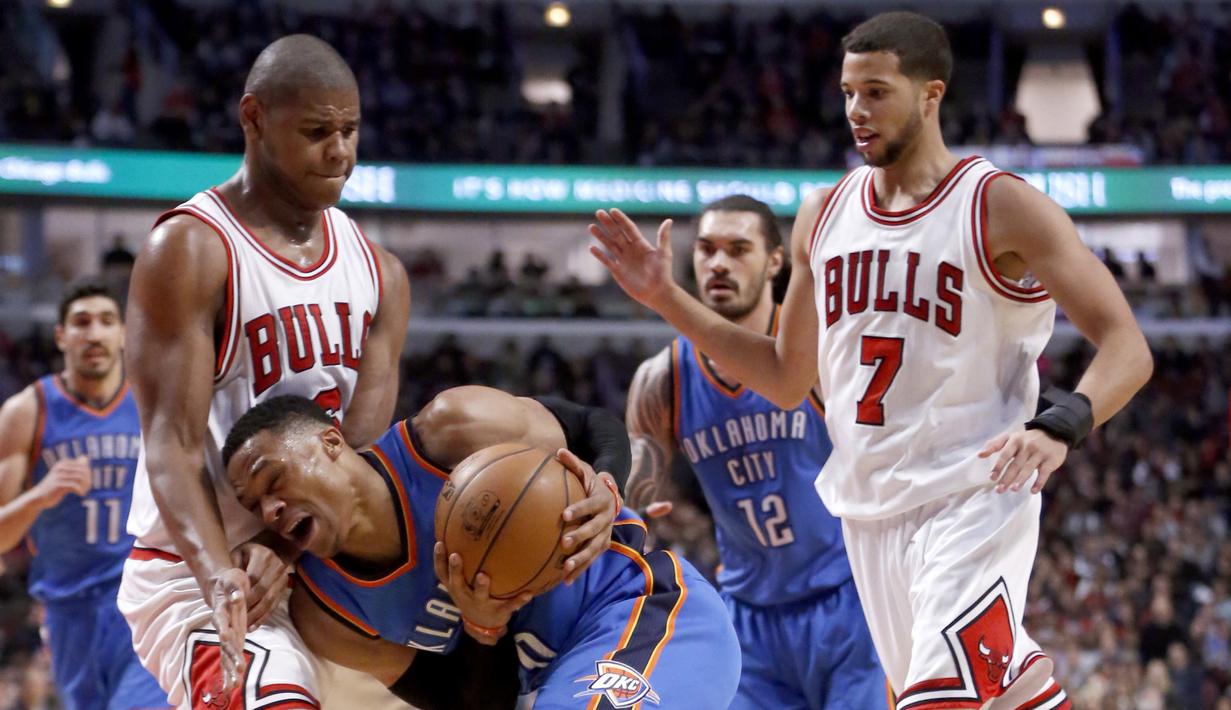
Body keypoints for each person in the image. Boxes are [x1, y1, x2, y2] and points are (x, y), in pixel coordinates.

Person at [590, 11, 1152, 710]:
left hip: (972, 496)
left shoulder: (998, 206)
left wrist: (1059, 425)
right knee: (1005, 694)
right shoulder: (823, 213)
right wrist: (664, 297)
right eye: (848, 92)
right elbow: (783, 377)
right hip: (868, 512)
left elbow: (1127, 344)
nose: (856, 110)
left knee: (936, 701)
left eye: (876, 92)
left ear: (930, 94)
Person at [117, 33, 616, 708]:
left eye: (350, 130)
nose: (340, 153)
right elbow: (170, 444)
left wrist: (283, 544)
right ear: (254, 118)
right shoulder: (192, 248)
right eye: (317, 131)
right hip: (199, 561)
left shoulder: (379, 271)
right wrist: (221, 576)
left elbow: (357, 438)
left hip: (319, 561)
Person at [219, 387, 741, 709]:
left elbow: (585, 424)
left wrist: (608, 483)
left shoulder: (450, 430)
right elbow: (472, 705)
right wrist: (481, 628)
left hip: (638, 608)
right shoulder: (327, 614)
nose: (268, 511)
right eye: (254, 505)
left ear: (330, 443)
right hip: (551, 681)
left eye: (273, 480)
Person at [624, 194, 885, 709]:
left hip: (849, 604)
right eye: (706, 249)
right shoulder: (663, 380)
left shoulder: (822, 347)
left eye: (738, 249)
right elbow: (636, 510)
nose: (718, 263)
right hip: (747, 617)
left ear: (775, 261)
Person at [0, 279, 169, 709]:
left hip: (143, 600)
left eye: (106, 322)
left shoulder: (153, 403)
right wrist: (40, 495)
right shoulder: (27, 411)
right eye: (81, 322)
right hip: (68, 611)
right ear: (61, 336)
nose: (94, 333)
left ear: (124, 334)